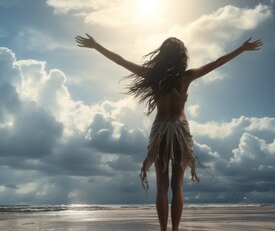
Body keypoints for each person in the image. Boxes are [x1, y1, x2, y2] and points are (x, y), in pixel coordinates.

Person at [75, 34, 262, 231]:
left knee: (162, 186)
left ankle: (164, 230)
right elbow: (218, 62)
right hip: (180, 129)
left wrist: (97, 46)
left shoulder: (152, 76)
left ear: (162, 55)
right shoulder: (187, 77)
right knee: (177, 185)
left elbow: (120, 61)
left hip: (160, 130)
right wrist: (241, 49)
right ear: (182, 56)